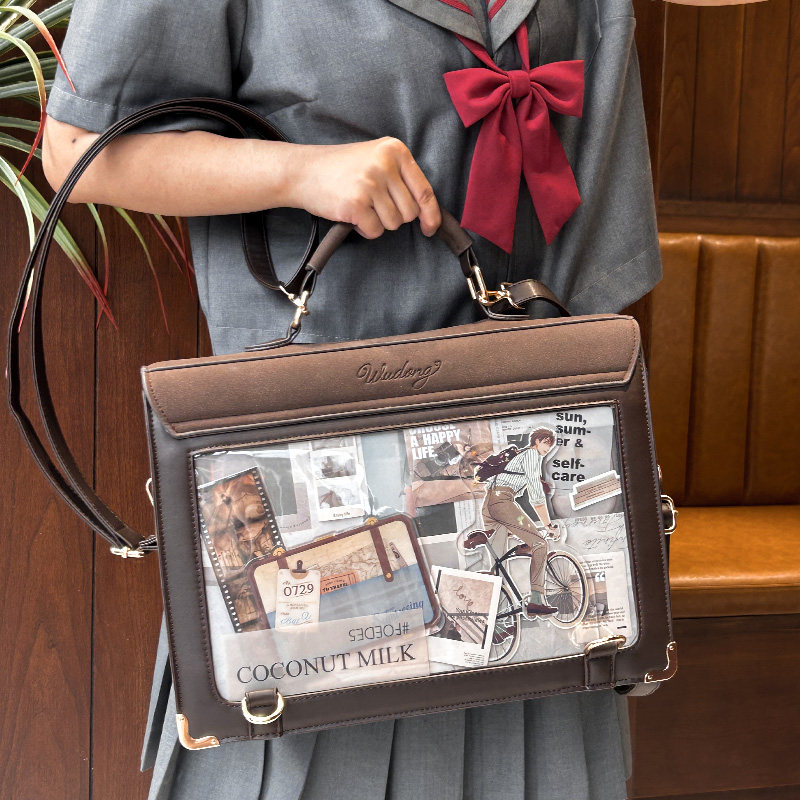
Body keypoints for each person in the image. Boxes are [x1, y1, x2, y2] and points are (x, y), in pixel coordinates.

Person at [42, 0, 661, 797]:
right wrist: (301, 172)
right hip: (316, 495)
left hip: (523, 484)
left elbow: (599, 259)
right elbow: (78, 149)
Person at [466, 427, 560, 616]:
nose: (547, 448)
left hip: (489, 505)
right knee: (540, 543)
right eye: (545, 443)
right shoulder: (532, 455)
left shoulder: (519, 456)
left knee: (498, 566)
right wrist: (548, 525)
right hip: (502, 502)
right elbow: (536, 494)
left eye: (550, 445)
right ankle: (536, 601)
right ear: (536, 441)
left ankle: (490, 615)